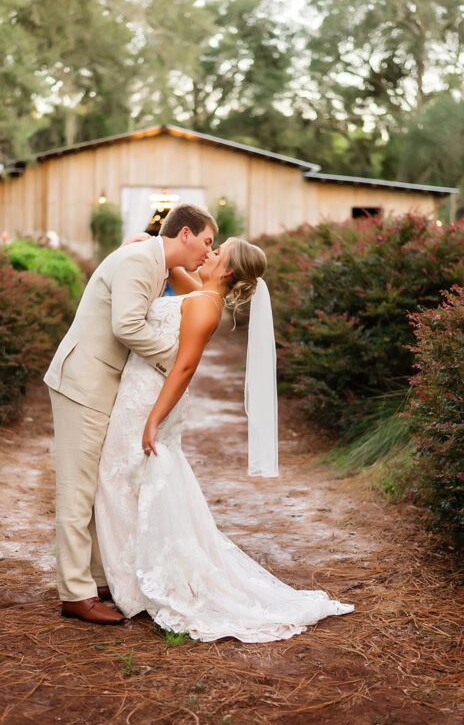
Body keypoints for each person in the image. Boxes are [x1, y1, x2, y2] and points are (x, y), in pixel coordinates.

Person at [93, 236, 353, 641]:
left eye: (218, 252)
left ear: (228, 270)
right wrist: (150, 247)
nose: (209, 254)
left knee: (120, 479)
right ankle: (131, 575)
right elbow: (177, 274)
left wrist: (153, 420)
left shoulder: (202, 304)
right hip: (143, 391)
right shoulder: (202, 296)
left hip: (152, 398)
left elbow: (184, 368)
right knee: (126, 480)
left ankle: (135, 581)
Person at [44, 204, 217, 625]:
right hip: (82, 383)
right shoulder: (141, 260)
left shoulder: (153, 262)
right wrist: (174, 362)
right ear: (187, 233)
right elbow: (126, 326)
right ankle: (75, 593)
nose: (208, 252)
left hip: (104, 384)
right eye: (208, 242)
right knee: (78, 490)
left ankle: (99, 579)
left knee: (101, 485)